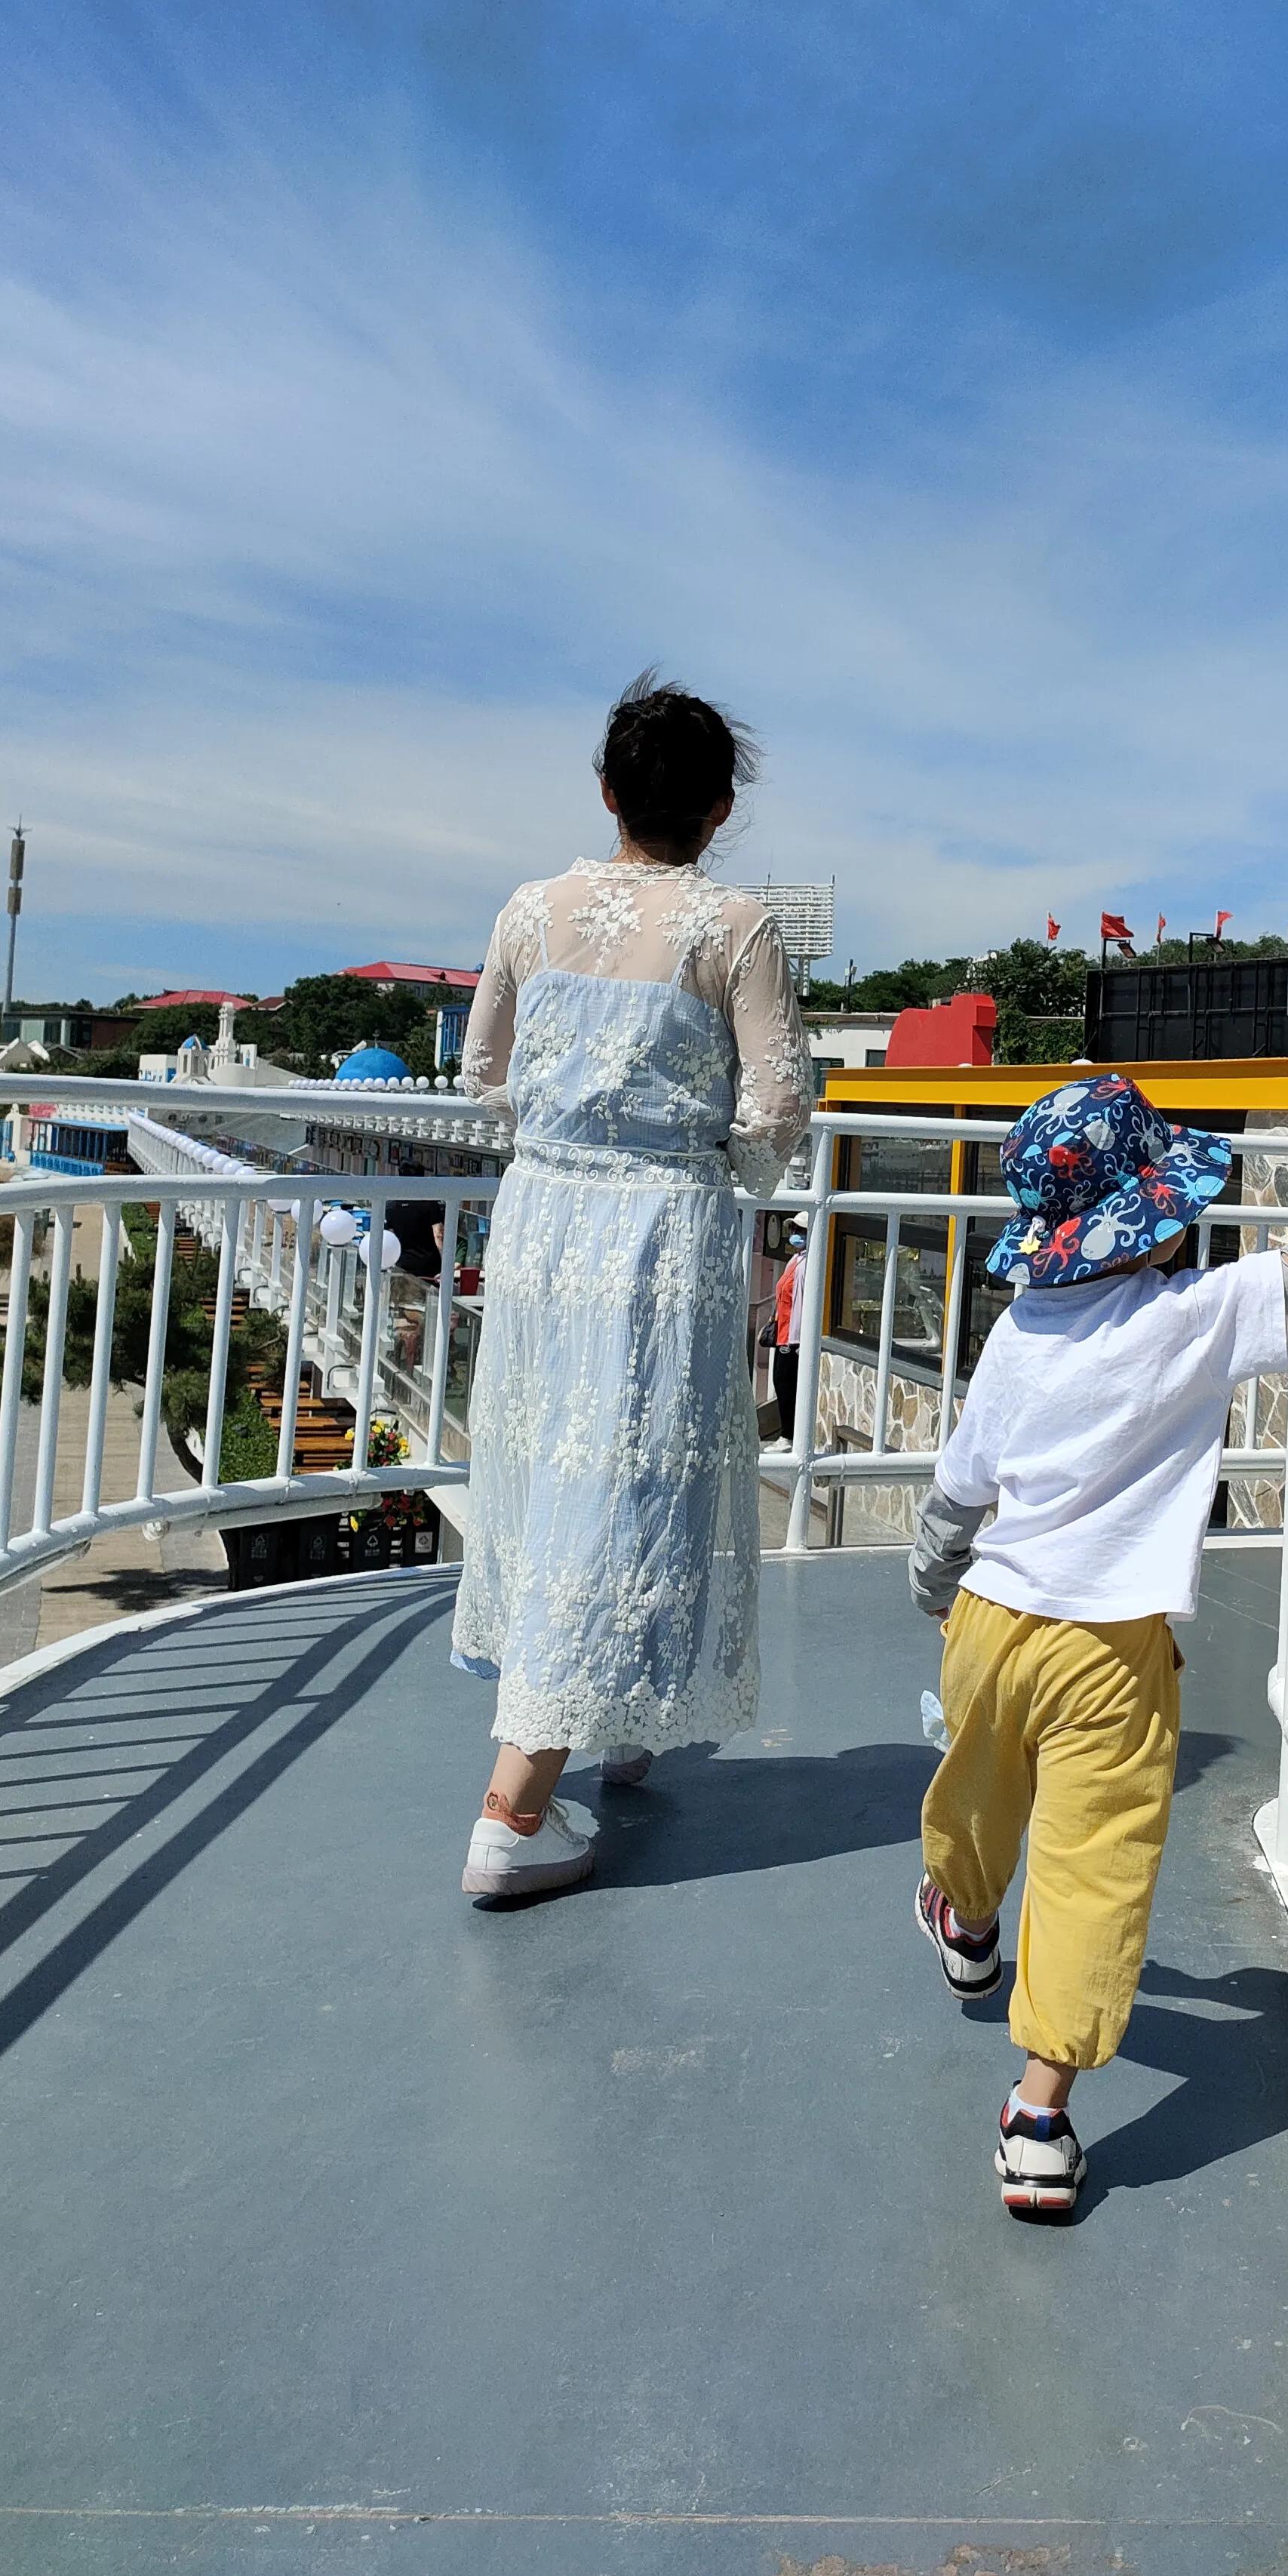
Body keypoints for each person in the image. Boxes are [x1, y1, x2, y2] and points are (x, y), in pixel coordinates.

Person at [906, 1075, 1288, 2217]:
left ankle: (964, 1919)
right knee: (1092, 1867)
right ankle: (1040, 2114)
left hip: (991, 1622)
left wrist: (933, 1583)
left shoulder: (1019, 1329)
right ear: (1155, 1214)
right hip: (1110, 1652)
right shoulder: (1193, 1314)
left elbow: (959, 1488)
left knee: (976, 1796)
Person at [451, 674, 810, 1902]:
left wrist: (561, 1148)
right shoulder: (735, 928)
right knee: (629, 1483)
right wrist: (717, 1166)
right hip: (664, 1230)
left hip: (546, 1220)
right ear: (718, 810)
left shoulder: (527, 912)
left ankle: (614, 1718)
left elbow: (482, 1075)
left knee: (561, 1466)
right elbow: (777, 1107)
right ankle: (512, 1811)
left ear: (607, 794)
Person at [767, 1226, 807, 1451]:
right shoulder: (795, 1259)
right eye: (794, 1229)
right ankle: (787, 1432)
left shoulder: (807, 1262)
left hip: (794, 1335)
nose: (795, 1234)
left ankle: (789, 1434)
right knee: (781, 1382)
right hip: (783, 1330)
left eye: (800, 1230)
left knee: (786, 1383)